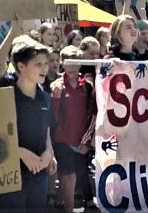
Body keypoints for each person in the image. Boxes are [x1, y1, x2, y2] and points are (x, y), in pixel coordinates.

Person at [0, 37, 56, 213]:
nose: (45, 68)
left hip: (39, 173)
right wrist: (20, 152)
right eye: (38, 64)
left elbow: (47, 129)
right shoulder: (6, 94)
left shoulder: (44, 96)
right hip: (11, 175)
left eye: (46, 63)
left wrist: (49, 152)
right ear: (20, 66)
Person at [51, 46, 95, 212]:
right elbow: (52, 118)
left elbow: (92, 115)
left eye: (75, 63)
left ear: (80, 65)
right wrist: (55, 98)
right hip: (62, 140)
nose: (71, 68)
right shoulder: (56, 85)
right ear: (62, 64)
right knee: (68, 175)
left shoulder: (88, 87)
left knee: (80, 174)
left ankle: (63, 202)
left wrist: (87, 141)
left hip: (81, 141)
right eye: (67, 63)